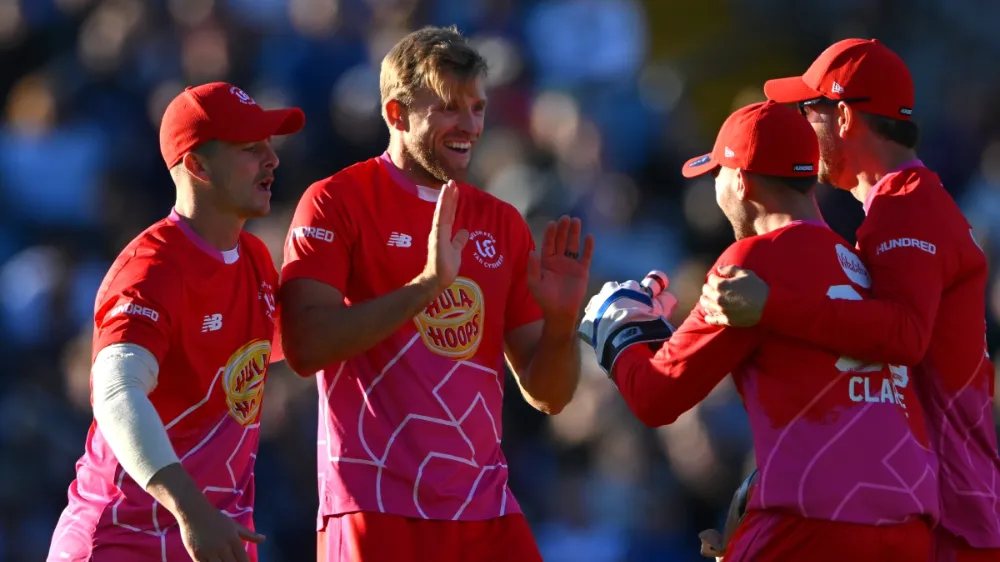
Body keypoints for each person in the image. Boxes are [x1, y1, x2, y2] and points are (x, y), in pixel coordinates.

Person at [278, 26, 592, 562]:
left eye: (477, 108)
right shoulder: (335, 201)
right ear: (396, 115)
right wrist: (425, 287)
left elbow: (550, 395)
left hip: (484, 507)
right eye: (449, 108)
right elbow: (305, 346)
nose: (469, 125)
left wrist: (563, 324)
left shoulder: (502, 222)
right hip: (375, 504)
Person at [579, 100, 938, 561]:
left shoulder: (752, 260)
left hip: (813, 522)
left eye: (716, 176)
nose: (715, 189)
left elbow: (655, 396)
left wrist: (618, 330)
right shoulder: (860, 263)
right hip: (910, 525)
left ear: (742, 181)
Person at [699, 38, 1000, 561]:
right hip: (930, 501)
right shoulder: (907, 202)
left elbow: (903, 336)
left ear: (841, 117)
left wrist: (772, 305)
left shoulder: (904, 206)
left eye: (806, 109)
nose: (798, 125)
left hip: (950, 517)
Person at [47, 82, 304, 562]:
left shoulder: (252, 258)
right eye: (251, 149)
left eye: (269, 146)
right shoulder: (151, 268)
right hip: (122, 542)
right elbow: (116, 393)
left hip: (210, 539)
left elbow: (276, 346)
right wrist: (192, 510)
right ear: (197, 166)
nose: (272, 160)